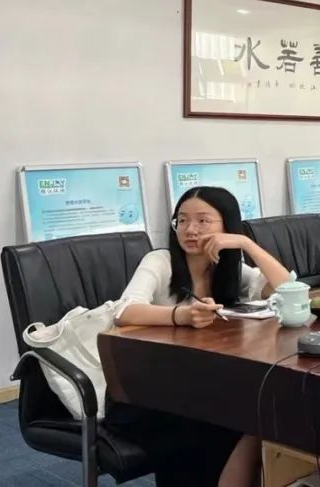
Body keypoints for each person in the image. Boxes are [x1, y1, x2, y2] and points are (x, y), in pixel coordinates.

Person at [115, 185, 292, 487]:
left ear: (227, 226)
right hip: (148, 390)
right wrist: (180, 315)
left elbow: (287, 289)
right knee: (231, 420)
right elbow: (124, 310)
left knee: (262, 415)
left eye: (203, 221)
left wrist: (245, 243)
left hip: (202, 383)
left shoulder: (227, 268)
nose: (190, 229)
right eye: (182, 220)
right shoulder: (159, 261)